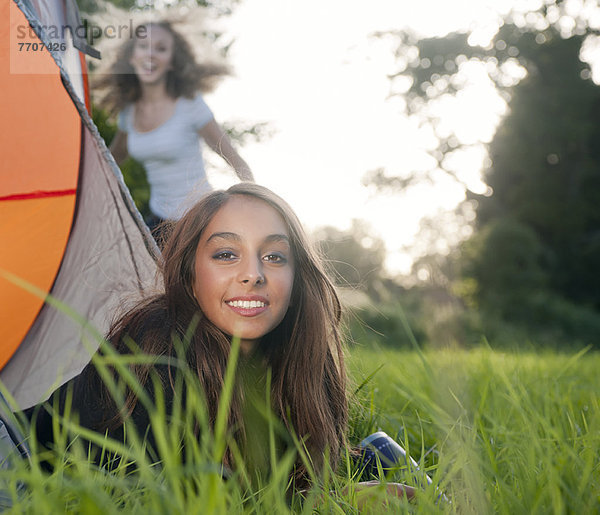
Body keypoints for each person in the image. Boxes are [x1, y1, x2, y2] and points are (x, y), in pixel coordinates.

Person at [26, 184, 415, 502]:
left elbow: (294, 474)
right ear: (191, 277)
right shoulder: (155, 349)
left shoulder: (303, 359)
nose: (252, 274)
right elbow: (160, 495)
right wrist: (338, 502)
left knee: (380, 454)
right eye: (226, 254)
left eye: (275, 256)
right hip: (15, 457)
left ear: (297, 281)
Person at [96, 20, 254, 234]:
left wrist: (255, 204)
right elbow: (111, 161)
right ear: (132, 57)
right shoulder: (129, 114)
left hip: (201, 217)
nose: (150, 54)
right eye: (143, 46)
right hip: (161, 223)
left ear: (171, 61)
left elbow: (233, 158)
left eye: (161, 49)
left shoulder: (190, 105)